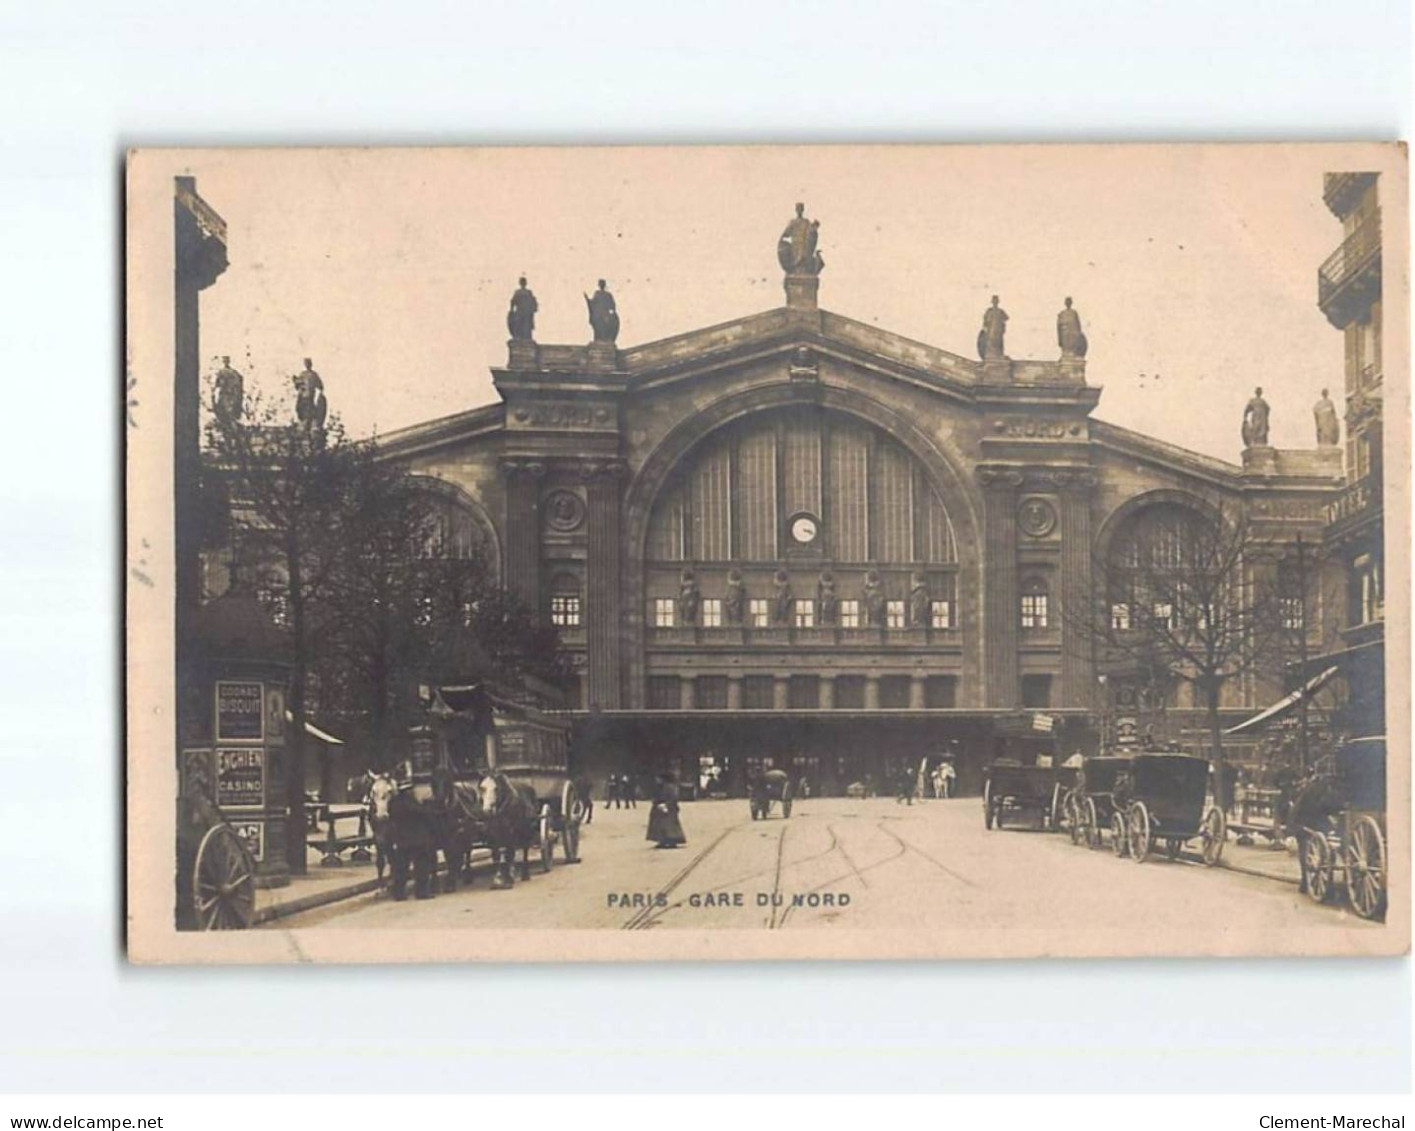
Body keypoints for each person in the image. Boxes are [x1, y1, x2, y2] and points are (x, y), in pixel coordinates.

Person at [647, 774, 687, 848]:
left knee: (669, 826)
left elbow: (673, 798)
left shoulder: (669, 788)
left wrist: (666, 805)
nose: (657, 780)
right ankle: (662, 840)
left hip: (669, 809)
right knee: (660, 825)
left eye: (658, 779)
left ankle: (672, 841)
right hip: (659, 808)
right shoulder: (660, 787)